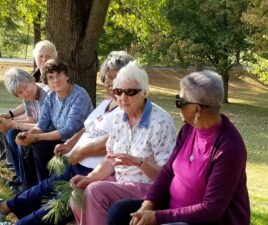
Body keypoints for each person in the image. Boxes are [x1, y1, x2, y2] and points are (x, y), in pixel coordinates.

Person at [0, 51, 133, 225]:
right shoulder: (106, 103)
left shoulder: (127, 108)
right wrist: (68, 144)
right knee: (46, 186)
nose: (110, 83)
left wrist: (77, 150)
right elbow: (86, 128)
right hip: (78, 160)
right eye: (107, 78)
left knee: (56, 204)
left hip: (95, 171)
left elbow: (111, 140)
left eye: (115, 77)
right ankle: (2, 208)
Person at [107, 70, 250, 225]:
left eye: (180, 102)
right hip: (172, 209)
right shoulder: (189, 129)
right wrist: (148, 203)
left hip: (204, 221)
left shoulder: (229, 148)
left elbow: (211, 210)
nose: (177, 106)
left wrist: (157, 217)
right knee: (119, 211)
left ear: (196, 109)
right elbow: (168, 171)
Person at [70, 62, 177, 225]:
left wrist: (139, 162)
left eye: (131, 92)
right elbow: (110, 159)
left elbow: (166, 176)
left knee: (95, 191)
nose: (123, 98)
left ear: (145, 92)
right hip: (120, 181)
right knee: (78, 194)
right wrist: (89, 178)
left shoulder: (161, 122)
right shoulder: (118, 117)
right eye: (118, 92)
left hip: (147, 187)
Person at [15, 59, 93, 182]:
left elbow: (69, 130)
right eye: (51, 77)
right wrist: (28, 135)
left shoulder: (79, 95)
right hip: (61, 140)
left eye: (59, 75)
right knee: (26, 145)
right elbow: (42, 125)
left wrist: (36, 138)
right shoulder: (51, 96)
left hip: (78, 140)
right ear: (47, 82)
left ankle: (45, 189)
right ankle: (30, 186)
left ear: (66, 76)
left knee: (39, 146)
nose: (56, 80)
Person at [0, 68, 50, 191]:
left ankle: (29, 184)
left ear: (32, 80)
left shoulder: (46, 95)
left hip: (48, 132)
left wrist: (13, 123)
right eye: (20, 92)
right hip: (36, 128)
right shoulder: (28, 98)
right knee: (10, 134)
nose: (25, 93)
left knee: (20, 139)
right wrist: (7, 123)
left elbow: (42, 126)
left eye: (26, 87)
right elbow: (31, 119)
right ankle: (21, 177)